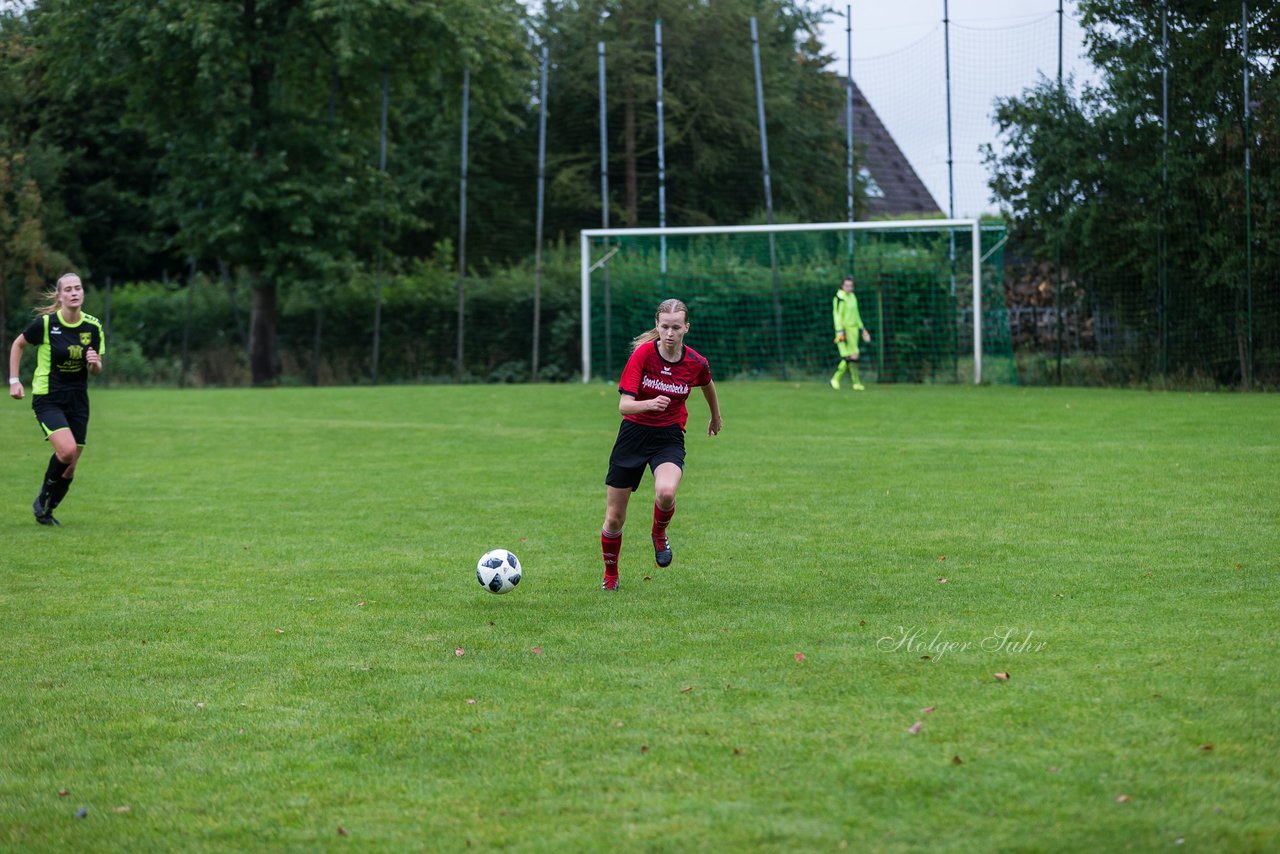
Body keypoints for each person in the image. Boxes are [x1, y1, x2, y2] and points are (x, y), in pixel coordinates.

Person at [600, 298, 722, 591]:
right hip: (633, 435)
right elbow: (624, 406)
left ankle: (659, 533)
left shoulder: (695, 362)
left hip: (668, 436)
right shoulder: (643, 355)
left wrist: (715, 417)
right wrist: (650, 403)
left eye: (676, 327)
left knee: (666, 492)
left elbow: (707, 384)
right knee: (615, 518)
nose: (670, 333)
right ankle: (611, 576)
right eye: (665, 326)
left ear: (686, 328)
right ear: (657, 326)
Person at [8, 273, 106, 525]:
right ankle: (43, 497)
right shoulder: (45, 324)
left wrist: (95, 364)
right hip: (48, 396)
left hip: (78, 399)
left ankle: (46, 512)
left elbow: (95, 369)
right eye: (69, 289)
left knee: (71, 465)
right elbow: (18, 344)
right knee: (67, 451)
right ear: (60, 295)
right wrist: (14, 380)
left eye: (78, 288)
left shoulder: (93, 327)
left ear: (83, 293)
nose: (74, 293)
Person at [830, 274, 872, 391]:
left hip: (854, 331)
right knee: (850, 356)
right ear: (842, 286)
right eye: (847, 286)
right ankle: (836, 379)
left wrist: (862, 329)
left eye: (851, 286)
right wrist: (840, 331)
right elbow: (837, 316)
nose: (849, 288)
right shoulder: (839, 298)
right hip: (844, 331)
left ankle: (856, 383)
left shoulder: (853, 297)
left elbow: (856, 315)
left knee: (853, 357)